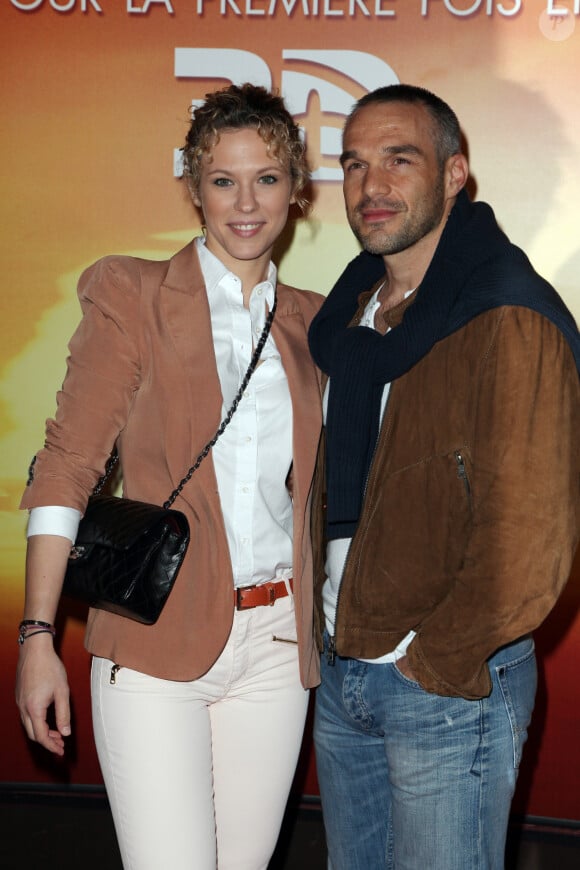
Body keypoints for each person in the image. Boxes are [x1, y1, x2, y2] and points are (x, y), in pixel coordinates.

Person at [16, 83, 324, 870]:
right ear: (193, 187)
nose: (245, 203)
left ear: (295, 186)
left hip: (276, 646)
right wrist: (39, 635)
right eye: (223, 180)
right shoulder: (133, 295)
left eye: (267, 178)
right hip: (153, 646)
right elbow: (66, 468)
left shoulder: (316, 322)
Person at [308, 83, 580, 870]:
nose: (372, 186)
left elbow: (533, 538)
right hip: (345, 667)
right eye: (355, 165)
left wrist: (432, 662)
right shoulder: (352, 312)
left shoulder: (506, 312)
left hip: (442, 682)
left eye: (401, 160)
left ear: (456, 174)